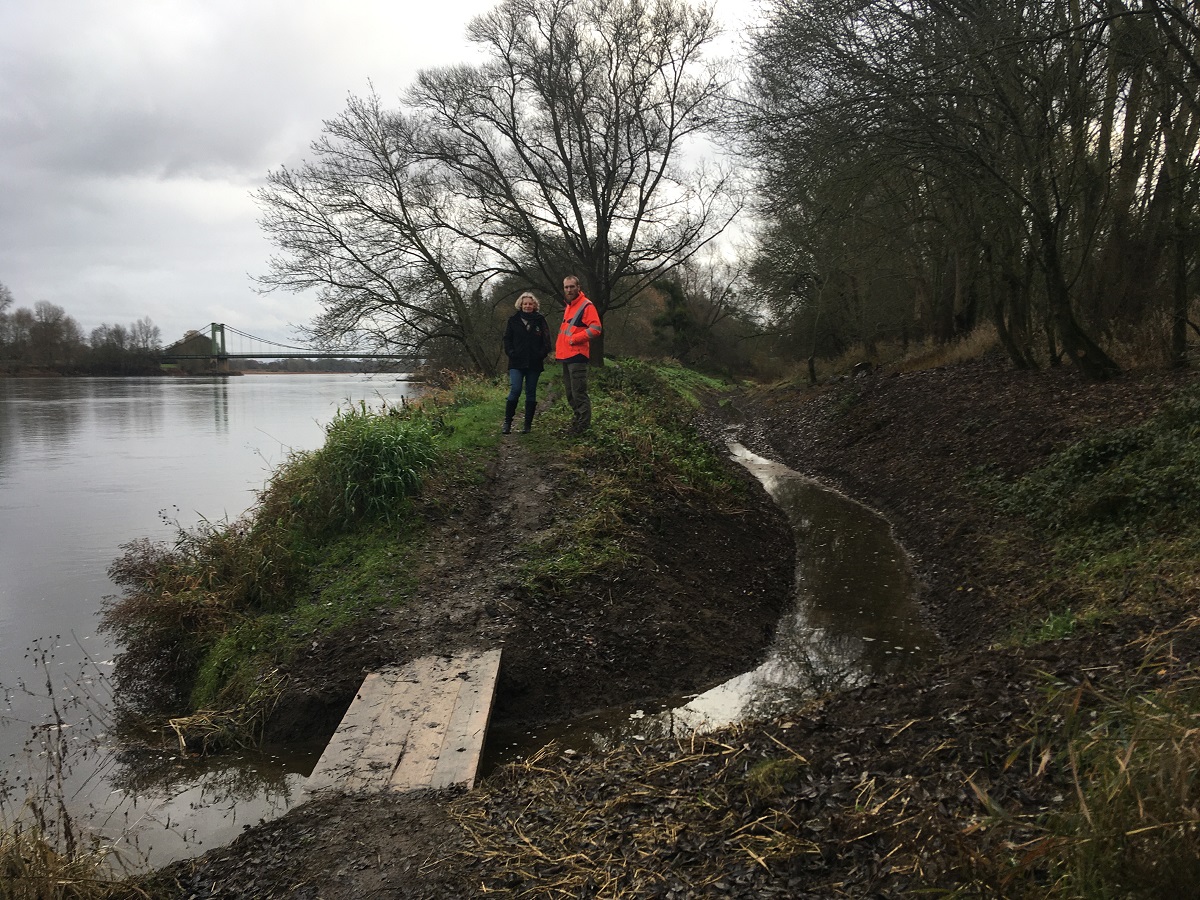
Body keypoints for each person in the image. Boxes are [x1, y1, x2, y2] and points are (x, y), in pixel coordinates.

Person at [554, 274, 602, 434]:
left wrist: (575, 339)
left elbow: (596, 328)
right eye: (566, 287)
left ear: (578, 287)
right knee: (570, 393)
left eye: (572, 286)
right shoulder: (570, 306)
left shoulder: (586, 306)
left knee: (578, 393)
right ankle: (577, 423)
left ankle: (583, 428)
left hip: (577, 355)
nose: (569, 289)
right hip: (566, 356)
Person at [502, 292, 552, 434]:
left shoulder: (540, 320)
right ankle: (507, 422)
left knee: (531, 392)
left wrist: (541, 355)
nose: (528, 306)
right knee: (515, 389)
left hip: (534, 364)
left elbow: (547, 341)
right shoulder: (513, 320)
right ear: (520, 305)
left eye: (530, 303)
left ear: (534, 305)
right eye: (525, 304)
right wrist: (511, 352)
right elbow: (507, 339)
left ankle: (527, 425)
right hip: (516, 363)